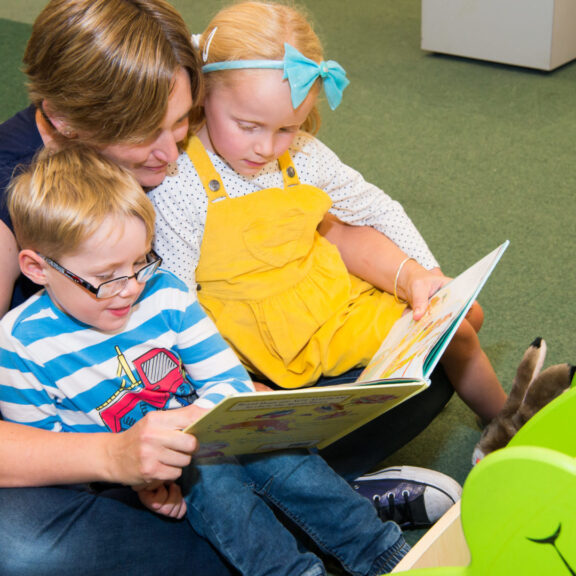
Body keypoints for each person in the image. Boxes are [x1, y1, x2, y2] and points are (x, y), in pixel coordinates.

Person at [0, 1, 463, 573]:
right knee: (22, 547)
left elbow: (328, 222)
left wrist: (416, 281)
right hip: (95, 451)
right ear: (68, 122)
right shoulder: (12, 190)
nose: (173, 155)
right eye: (147, 136)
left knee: (433, 359)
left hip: (205, 400)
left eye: (183, 122)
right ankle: (288, 528)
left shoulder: (172, 119)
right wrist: (114, 456)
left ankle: (300, 509)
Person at [0, 144, 414, 576]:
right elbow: (53, 463)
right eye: (106, 277)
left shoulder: (165, 293)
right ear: (36, 268)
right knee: (210, 473)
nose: (130, 287)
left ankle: (383, 554)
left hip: (200, 444)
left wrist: (199, 425)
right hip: (123, 485)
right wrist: (140, 477)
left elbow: (229, 382)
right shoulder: (20, 344)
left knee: (271, 446)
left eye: (141, 261)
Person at [149, 2, 507, 431]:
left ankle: (509, 425)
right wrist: (228, 380)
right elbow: (178, 297)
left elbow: (374, 206)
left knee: (458, 328)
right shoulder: (177, 176)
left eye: (286, 128)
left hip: (326, 305)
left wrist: (426, 275)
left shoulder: (303, 154)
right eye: (248, 125)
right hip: (245, 337)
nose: (267, 147)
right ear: (203, 96)